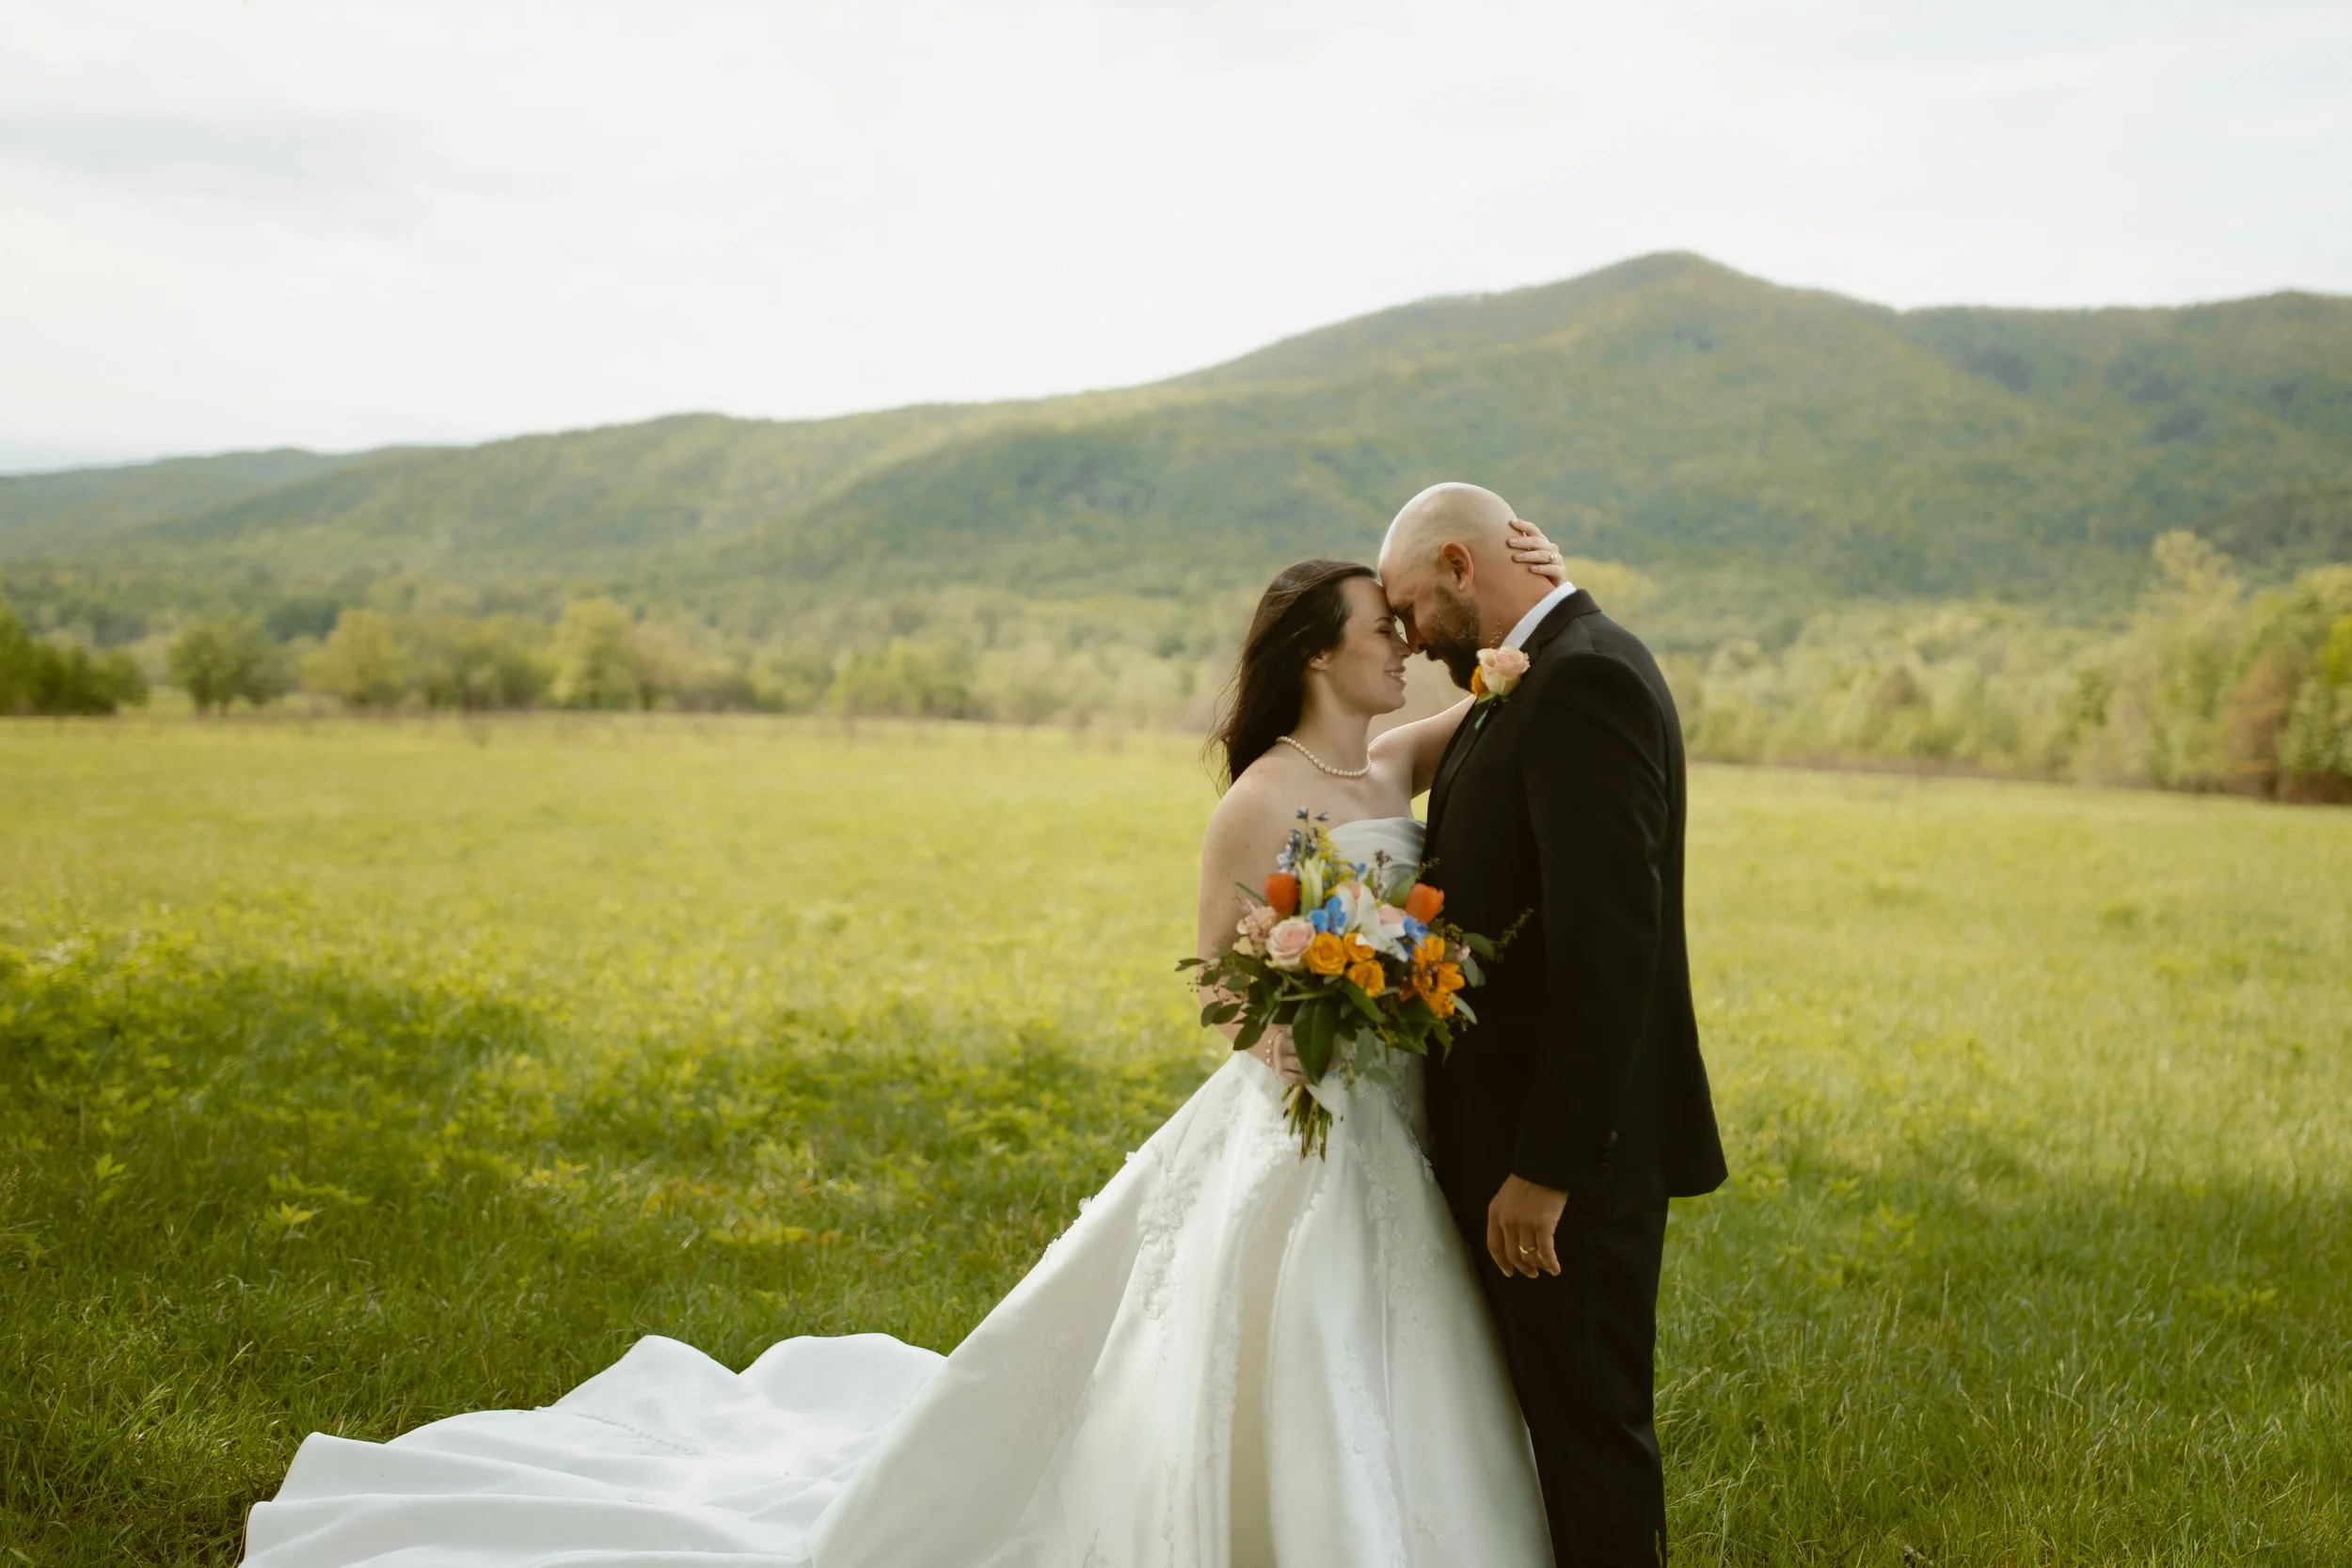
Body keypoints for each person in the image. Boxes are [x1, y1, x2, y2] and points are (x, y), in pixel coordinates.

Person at [238, 523, 1572, 1568]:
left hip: (1397, 1110)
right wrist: (1298, 1025)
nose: (1401, 643)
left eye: (1402, 625)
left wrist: (1543, 594)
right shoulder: (1259, 798)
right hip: (1299, 1113)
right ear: (1313, 651)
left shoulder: (1389, 769)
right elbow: (1223, 992)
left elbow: (1520, 680)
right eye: (1378, 628)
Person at [1377, 483, 1728, 1568]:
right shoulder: (1539, 664)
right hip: (1516, 1134)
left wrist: (1548, 1166)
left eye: (1407, 608)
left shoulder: (1581, 678)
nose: (1405, 636)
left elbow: (1606, 942)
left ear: (1456, 563)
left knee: (1587, 1430)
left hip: (1570, 1155)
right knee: (1547, 1423)